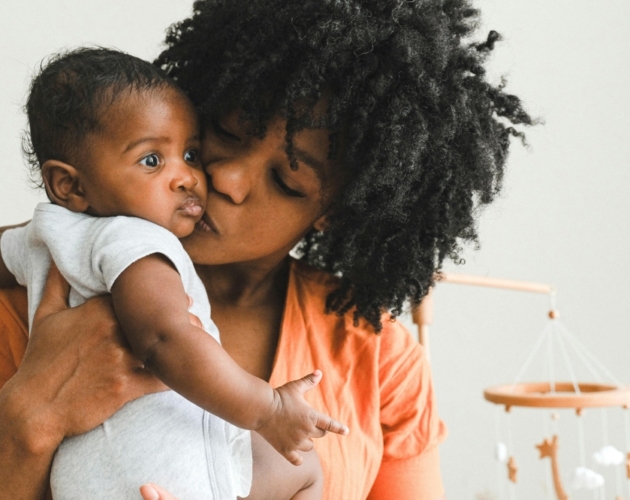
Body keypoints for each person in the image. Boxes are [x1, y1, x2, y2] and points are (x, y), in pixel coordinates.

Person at [0, 1, 532, 499]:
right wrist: (29, 420)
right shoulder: (35, 310)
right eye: (227, 133)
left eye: (287, 181)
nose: (227, 178)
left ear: (334, 210)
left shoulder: (377, 359)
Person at [0, 47, 345, 499]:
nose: (195, 178)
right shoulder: (139, 242)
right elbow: (164, 337)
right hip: (161, 475)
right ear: (70, 184)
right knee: (305, 470)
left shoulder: (46, 233)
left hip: (97, 480)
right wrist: (268, 408)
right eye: (151, 160)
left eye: (190, 152)